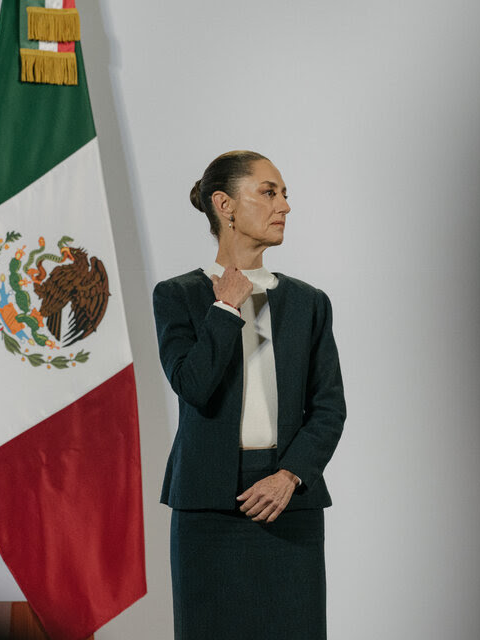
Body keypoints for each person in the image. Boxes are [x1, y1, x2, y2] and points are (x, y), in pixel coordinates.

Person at [152, 150, 346, 639]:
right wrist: (224, 307)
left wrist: (290, 475)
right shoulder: (177, 296)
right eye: (269, 192)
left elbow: (328, 407)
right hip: (207, 505)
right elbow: (193, 386)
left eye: (284, 195)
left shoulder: (309, 302)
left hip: (288, 504)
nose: (284, 205)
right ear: (225, 205)